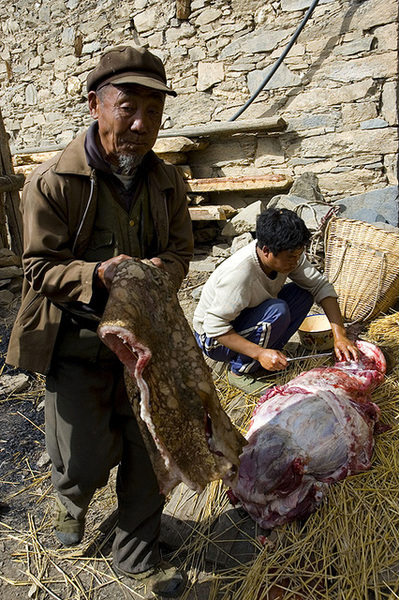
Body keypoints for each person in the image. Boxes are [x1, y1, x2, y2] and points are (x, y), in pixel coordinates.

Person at [6, 45, 194, 598]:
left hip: (146, 345)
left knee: (148, 445)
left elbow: (182, 251)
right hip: (76, 339)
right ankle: (73, 499)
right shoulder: (53, 181)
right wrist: (100, 275)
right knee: (85, 453)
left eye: (153, 113)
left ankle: (136, 546)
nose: (141, 125)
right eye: (127, 108)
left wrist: (161, 270)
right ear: (96, 104)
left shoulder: (165, 181)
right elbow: (39, 267)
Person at [193, 207, 358, 394]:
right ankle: (240, 371)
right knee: (277, 310)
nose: (296, 262)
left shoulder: (288, 254)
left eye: (298, 255)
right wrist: (260, 353)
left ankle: (270, 355)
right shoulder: (239, 274)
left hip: (245, 317)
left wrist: (340, 334)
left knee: (303, 295)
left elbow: (320, 286)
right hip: (214, 340)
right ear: (266, 251)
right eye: (291, 257)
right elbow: (214, 326)